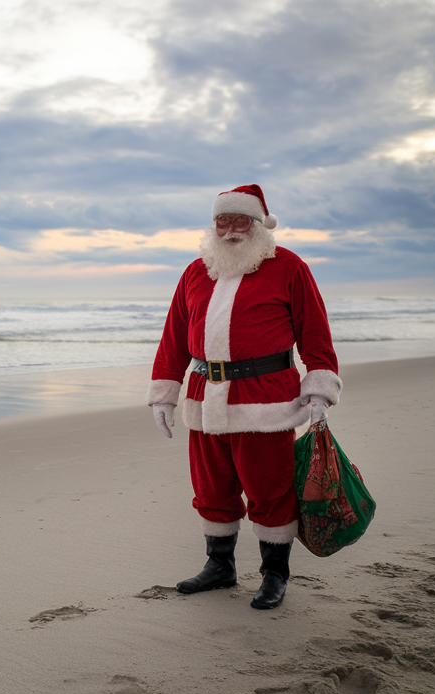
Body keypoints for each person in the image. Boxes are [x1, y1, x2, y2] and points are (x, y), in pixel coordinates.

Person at [145, 185, 340, 610]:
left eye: (240, 221)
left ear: (259, 225)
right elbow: (174, 338)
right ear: (213, 225)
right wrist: (164, 393)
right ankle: (220, 566)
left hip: (264, 400)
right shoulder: (196, 271)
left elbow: (315, 335)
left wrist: (320, 390)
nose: (231, 230)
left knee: (269, 489)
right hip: (203, 397)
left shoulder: (289, 267)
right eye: (223, 220)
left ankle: (274, 574)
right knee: (212, 487)